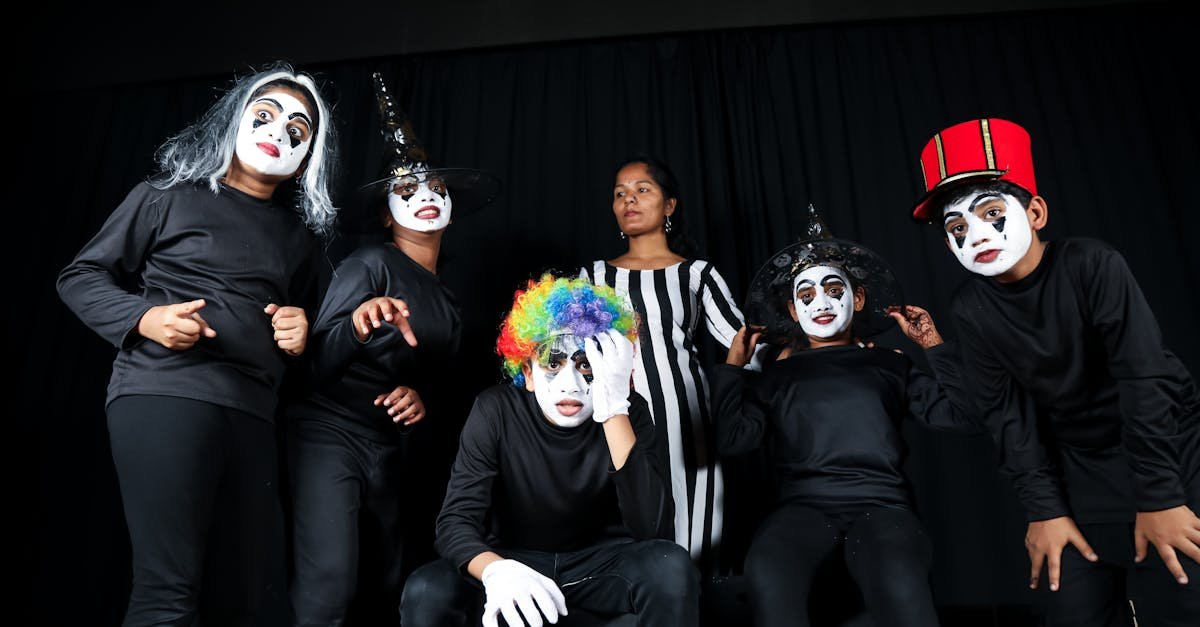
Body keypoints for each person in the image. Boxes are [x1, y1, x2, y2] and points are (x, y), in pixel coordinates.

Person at [56, 62, 338, 626]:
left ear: (308, 155)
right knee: (169, 590)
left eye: (297, 130)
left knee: (244, 599)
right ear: (234, 118)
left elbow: (313, 340)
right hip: (167, 393)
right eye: (265, 115)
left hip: (254, 415)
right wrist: (145, 317)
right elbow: (79, 277)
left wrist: (301, 332)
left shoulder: (300, 240)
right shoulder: (166, 197)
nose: (279, 133)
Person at [910, 117, 1200, 626]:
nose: (975, 235)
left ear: (1036, 212)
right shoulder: (970, 307)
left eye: (991, 213)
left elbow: (1143, 377)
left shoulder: (1092, 264)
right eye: (957, 228)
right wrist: (1045, 509)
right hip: (1078, 467)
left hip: (1166, 451)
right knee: (1073, 608)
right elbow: (1006, 415)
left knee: (1180, 601)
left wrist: (1161, 497)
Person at [286, 72, 500, 626]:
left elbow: (440, 383)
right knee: (330, 582)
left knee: (386, 582)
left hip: (391, 449)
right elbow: (314, 366)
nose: (425, 197)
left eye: (435, 188)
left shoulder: (448, 298)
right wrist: (358, 325)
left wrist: (420, 397)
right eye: (406, 191)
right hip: (329, 434)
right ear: (386, 214)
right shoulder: (370, 264)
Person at [715, 219, 977, 626]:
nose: (820, 303)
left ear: (858, 298)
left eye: (834, 290)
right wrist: (734, 367)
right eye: (806, 294)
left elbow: (963, 416)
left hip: (881, 506)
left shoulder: (890, 364)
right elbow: (734, 440)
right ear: (792, 310)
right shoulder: (776, 376)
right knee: (767, 570)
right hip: (804, 509)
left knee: (899, 578)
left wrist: (934, 345)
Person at [400, 275, 699, 627]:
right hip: (513, 560)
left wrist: (614, 409)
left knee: (670, 566)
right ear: (527, 373)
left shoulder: (627, 411)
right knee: (427, 589)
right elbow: (455, 522)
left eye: (586, 364)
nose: (570, 385)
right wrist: (496, 570)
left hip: (600, 566)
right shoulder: (496, 410)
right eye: (552, 363)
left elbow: (655, 530)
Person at [580, 155, 746, 570]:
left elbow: (742, 341)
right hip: (615, 418)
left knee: (695, 526)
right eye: (620, 193)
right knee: (628, 513)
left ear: (669, 205)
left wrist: (819, 353)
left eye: (642, 190)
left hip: (686, 416)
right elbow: (572, 352)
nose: (629, 200)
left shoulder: (696, 274)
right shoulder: (594, 277)